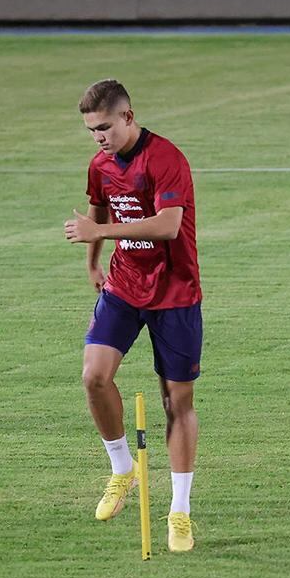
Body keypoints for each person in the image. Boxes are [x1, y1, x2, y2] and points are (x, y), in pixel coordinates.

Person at [64, 79, 201, 552]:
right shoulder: (100, 164)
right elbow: (97, 210)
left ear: (127, 116)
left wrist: (99, 232)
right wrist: (93, 262)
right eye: (91, 130)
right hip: (124, 285)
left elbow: (169, 225)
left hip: (175, 291)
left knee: (176, 402)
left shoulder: (165, 158)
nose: (98, 137)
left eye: (104, 127)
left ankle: (179, 511)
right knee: (94, 377)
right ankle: (124, 469)